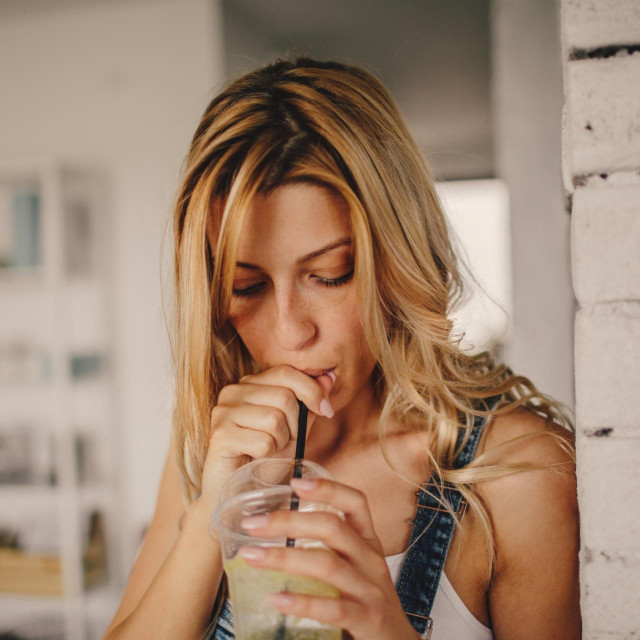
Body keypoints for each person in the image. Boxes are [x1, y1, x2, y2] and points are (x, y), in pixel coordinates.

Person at [104, 58, 580, 640]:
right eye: (246, 287)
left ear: (397, 261)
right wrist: (213, 511)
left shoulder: (518, 475)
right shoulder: (216, 444)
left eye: (331, 274)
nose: (289, 333)